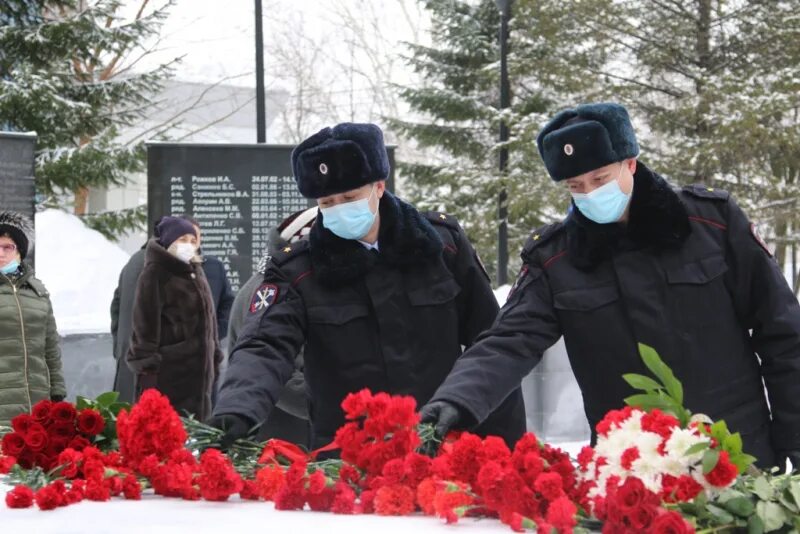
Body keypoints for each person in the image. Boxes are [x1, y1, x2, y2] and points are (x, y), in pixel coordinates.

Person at [420, 102, 800, 469]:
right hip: (629, 471)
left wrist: (795, 442)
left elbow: (783, 333)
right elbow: (508, 340)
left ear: (630, 163)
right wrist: (457, 400)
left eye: (600, 179)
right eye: (576, 185)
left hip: (734, 459)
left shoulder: (712, 225)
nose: (589, 193)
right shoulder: (556, 259)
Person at [209, 122, 526, 449]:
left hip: (440, 442)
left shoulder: (440, 248)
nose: (339, 208)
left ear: (378, 186)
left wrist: (506, 446)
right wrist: (237, 407)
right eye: (327, 202)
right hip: (348, 457)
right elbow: (264, 344)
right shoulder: (297, 271)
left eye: (349, 196)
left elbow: (490, 344)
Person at [225, 206, 318, 446]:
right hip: (283, 429)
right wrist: (331, 406)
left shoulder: (285, 283)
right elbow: (274, 368)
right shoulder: (267, 291)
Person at [126, 216, 223, 420]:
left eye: (192, 241)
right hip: (171, 376)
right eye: (182, 240)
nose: (188, 245)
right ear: (169, 241)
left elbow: (210, 319)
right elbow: (145, 325)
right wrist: (148, 370)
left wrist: (214, 356)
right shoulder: (156, 273)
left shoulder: (195, 270)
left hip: (200, 377)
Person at [0, 211, 66, 426]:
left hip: (37, 405)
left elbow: (51, 350)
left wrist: (57, 392)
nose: (1, 253)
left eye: (7, 247)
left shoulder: (38, 293)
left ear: (20, 251)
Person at [182, 216, 235, 339]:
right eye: (184, 239)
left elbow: (227, 303)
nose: (189, 243)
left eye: (194, 239)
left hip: (208, 348)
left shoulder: (215, 266)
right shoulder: (164, 267)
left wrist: (216, 333)